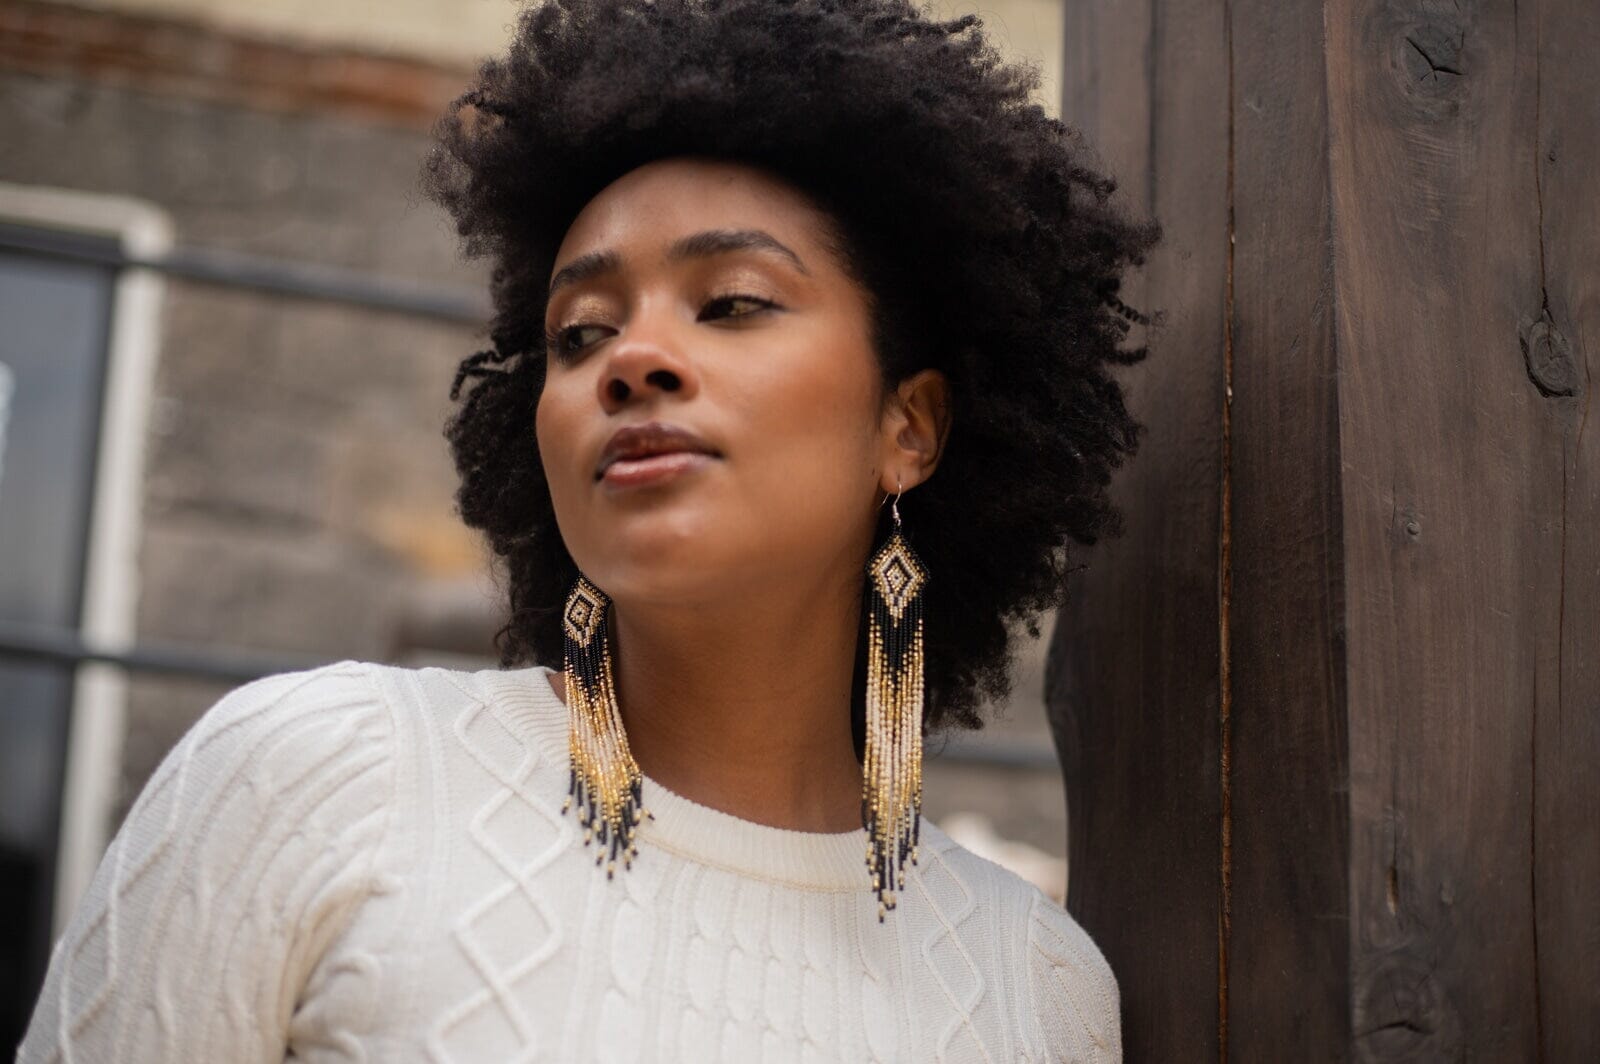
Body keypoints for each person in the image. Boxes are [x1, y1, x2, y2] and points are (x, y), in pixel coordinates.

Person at [19, 1, 1160, 1060]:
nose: (633, 358)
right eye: (580, 332)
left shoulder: (1035, 986)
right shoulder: (317, 774)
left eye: (732, 303)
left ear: (908, 427)